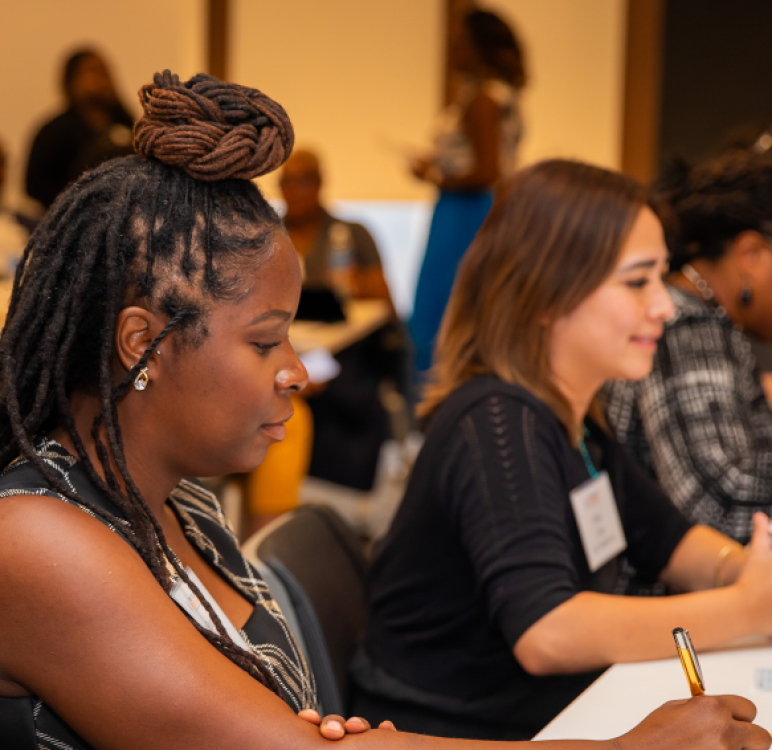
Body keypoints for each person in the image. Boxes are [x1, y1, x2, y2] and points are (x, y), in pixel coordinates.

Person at [0, 72, 767, 750]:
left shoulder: (179, 504)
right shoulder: (37, 542)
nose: (298, 370)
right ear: (144, 344)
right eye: (266, 341)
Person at [353, 159, 772, 741]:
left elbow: (669, 540)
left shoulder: (573, 419)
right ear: (546, 295)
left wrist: (745, 571)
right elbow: (549, 632)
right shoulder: (498, 423)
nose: (665, 306)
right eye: (637, 281)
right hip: (457, 732)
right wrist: (744, 610)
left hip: (549, 715)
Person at [605, 151, 772, 554]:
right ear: (749, 254)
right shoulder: (688, 328)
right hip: (664, 612)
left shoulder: (702, 322)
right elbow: (724, 507)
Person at [409, 8, 526, 377]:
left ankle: (435, 402)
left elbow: (489, 171)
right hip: (479, 210)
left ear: (477, 48)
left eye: (461, 42)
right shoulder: (502, 96)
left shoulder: (482, 100)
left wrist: (434, 176)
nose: (454, 51)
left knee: (442, 312)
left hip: (463, 213)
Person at [276, 149, 397, 492]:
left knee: (336, 381)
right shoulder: (267, 234)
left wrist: (360, 287)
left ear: (319, 184)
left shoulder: (351, 233)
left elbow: (385, 304)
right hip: (286, 342)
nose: (296, 190)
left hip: (344, 350)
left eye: (304, 181)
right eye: (288, 182)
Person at [25, 47, 134, 209]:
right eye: (95, 71)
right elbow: (35, 186)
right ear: (72, 81)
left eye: (106, 71)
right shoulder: (54, 132)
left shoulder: (126, 124)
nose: (104, 79)